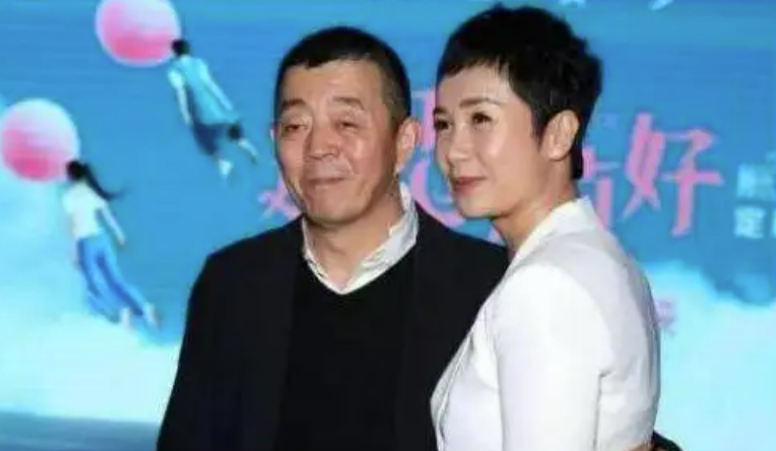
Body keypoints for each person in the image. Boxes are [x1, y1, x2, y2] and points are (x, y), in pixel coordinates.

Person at [156, 27, 507, 451]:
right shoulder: (232, 283)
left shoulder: (491, 287)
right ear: (275, 141)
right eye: (296, 126)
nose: (319, 146)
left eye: (346, 123)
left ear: (404, 142)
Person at [429, 5, 660, 451]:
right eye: (443, 124)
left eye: (481, 119)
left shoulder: (546, 286)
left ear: (559, 134)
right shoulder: (594, 257)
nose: (453, 150)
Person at [62, 160, 158, 329]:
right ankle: (144, 307)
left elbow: (73, 226)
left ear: (69, 176)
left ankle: (119, 312)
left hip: (85, 243)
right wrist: (120, 235)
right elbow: (109, 217)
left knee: (93, 285)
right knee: (115, 279)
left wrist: (74, 252)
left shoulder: (69, 197)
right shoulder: (93, 192)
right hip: (102, 239)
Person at [168, 38, 260, 178]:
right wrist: (225, 101)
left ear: (174, 53)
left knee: (202, 135)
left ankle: (221, 162)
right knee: (228, 124)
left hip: (197, 105)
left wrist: (185, 114)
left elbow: (181, 94)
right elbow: (211, 84)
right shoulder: (198, 63)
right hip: (211, 100)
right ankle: (248, 148)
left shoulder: (174, 70)